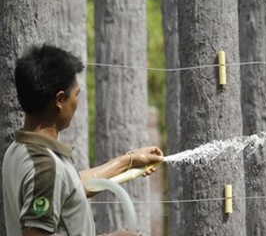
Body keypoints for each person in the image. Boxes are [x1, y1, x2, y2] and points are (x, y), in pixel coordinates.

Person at [2, 44, 164, 236]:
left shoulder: (20, 148)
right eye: (76, 94)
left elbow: (70, 188)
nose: (77, 102)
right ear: (60, 100)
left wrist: (129, 161)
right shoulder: (44, 168)